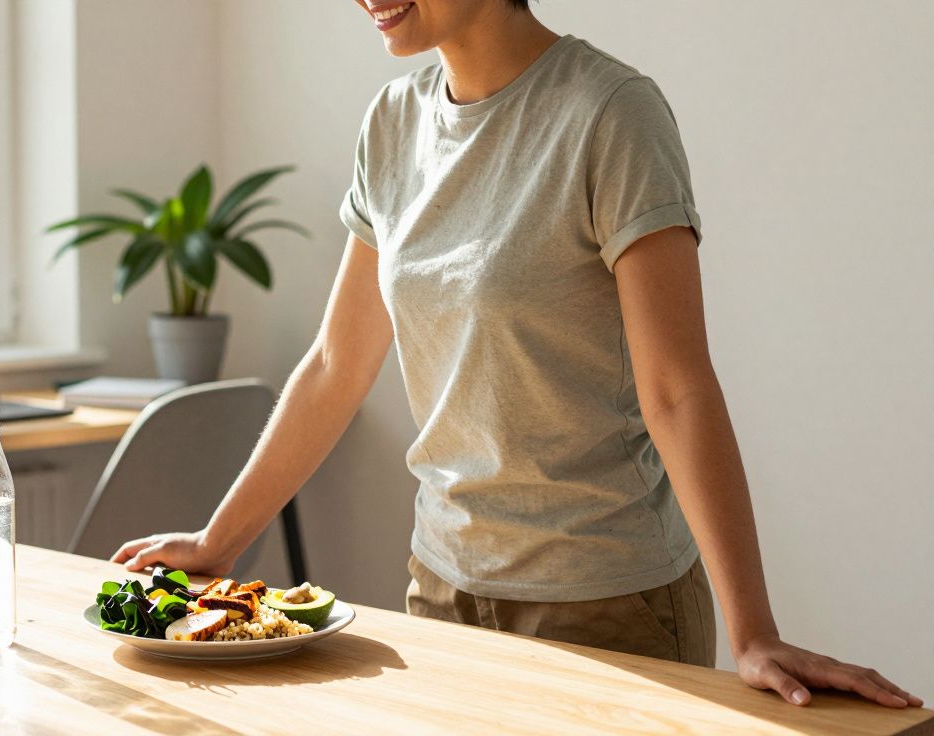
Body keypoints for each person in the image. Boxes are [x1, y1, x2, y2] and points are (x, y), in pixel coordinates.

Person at [114, 0, 921, 709]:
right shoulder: (392, 125)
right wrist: (218, 545)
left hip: (608, 605)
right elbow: (336, 365)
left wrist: (755, 632)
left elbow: (677, 388)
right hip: (441, 592)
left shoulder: (610, 113)